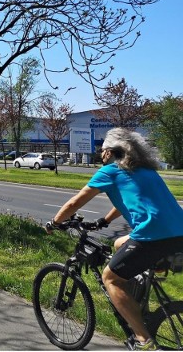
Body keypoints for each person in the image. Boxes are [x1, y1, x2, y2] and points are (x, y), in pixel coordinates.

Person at [47, 127, 183, 351]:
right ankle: (139, 296)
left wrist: (55, 222)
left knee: (110, 278)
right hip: (179, 232)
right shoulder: (145, 171)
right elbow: (125, 199)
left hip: (152, 234)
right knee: (119, 243)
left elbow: (75, 203)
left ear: (111, 152)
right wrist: (104, 221)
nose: (101, 155)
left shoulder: (110, 171)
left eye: (103, 151)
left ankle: (143, 341)